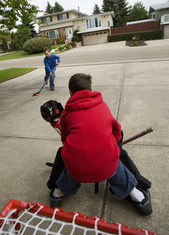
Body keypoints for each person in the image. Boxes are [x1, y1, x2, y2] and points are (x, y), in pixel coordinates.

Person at [47, 73, 152, 215]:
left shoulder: (67, 113)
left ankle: (56, 195)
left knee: (74, 162)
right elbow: (116, 132)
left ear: (70, 92)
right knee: (111, 160)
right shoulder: (102, 105)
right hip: (106, 166)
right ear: (91, 89)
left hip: (77, 168)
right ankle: (139, 198)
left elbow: (64, 139)